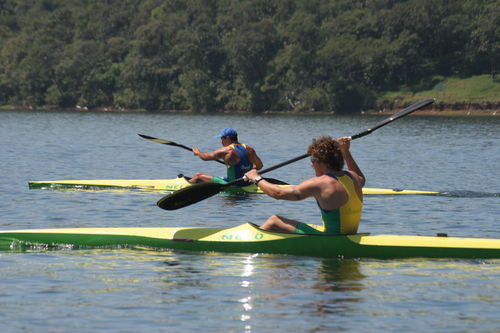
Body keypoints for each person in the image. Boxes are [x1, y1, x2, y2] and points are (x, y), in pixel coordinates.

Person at [244, 136, 365, 234]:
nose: (311, 165)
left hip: (332, 238)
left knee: (274, 221)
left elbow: (278, 194)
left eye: (312, 160)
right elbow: (362, 178)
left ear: (322, 160)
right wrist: (346, 151)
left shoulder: (321, 183)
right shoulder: (353, 177)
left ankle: (248, 246)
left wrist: (256, 178)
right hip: (349, 234)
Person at [189, 127, 264, 185]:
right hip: (248, 183)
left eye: (222, 138)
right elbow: (259, 166)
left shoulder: (226, 150)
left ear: (227, 138)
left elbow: (205, 157)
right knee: (222, 177)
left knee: (198, 176)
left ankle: (182, 187)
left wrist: (198, 152)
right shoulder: (249, 149)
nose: (221, 141)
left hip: (233, 185)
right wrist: (246, 167)